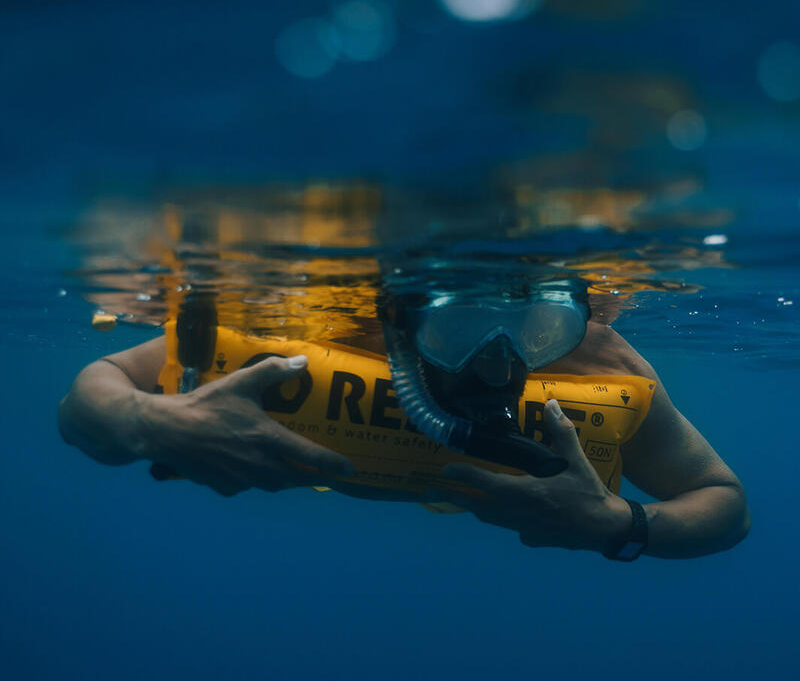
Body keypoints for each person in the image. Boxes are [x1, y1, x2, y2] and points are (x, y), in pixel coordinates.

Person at [58, 282, 749, 561]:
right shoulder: (312, 318)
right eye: (462, 330)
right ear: (397, 321)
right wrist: (150, 423)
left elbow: (726, 504)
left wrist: (623, 526)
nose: (500, 366)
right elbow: (88, 397)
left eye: (536, 331)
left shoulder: (599, 360)